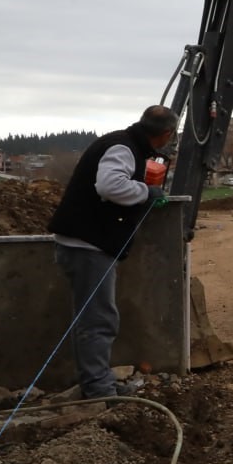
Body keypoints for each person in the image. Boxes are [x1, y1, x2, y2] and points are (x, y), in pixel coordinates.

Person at [47, 105, 179, 399]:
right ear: (167, 134)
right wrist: (147, 192)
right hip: (88, 246)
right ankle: (99, 391)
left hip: (82, 243)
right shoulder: (123, 148)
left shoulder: (124, 143)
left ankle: (98, 383)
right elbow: (109, 186)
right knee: (98, 319)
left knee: (93, 318)